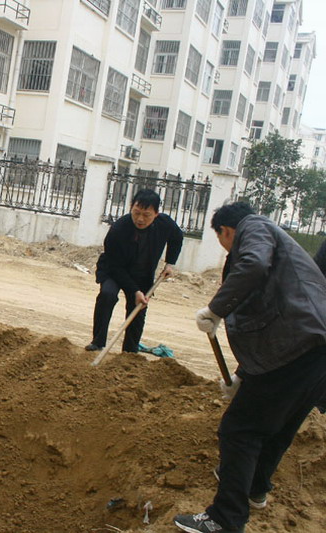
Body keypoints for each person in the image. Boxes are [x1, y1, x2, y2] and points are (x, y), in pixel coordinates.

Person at [174, 202, 326, 533]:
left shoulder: (254, 227)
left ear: (226, 231)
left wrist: (215, 309)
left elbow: (253, 265)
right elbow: (266, 321)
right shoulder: (277, 251)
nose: (226, 249)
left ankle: (225, 518)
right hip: (315, 349)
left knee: (239, 430)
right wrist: (243, 375)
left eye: (222, 240)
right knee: (281, 426)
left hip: (296, 347)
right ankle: (256, 488)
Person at [86, 189, 183, 353]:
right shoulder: (119, 229)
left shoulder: (164, 224)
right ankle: (98, 342)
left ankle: (129, 352)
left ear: (156, 214)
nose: (140, 219)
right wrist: (134, 290)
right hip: (115, 270)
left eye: (146, 215)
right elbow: (115, 266)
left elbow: (177, 237)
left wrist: (170, 263)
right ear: (131, 207)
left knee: (138, 308)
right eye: (136, 213)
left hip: (142, 273)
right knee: (107, 295)